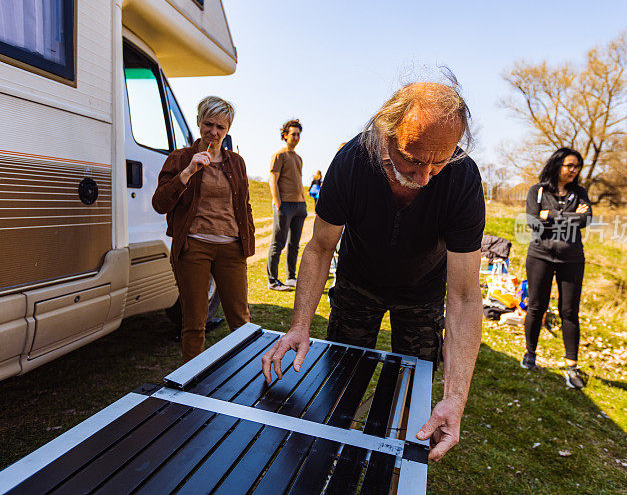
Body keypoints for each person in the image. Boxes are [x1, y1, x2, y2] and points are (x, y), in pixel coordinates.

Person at [261, 78, 486, 462]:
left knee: (407, 398)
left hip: (421, 295)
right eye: (413, 159)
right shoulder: (352, 161)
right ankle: (330, 453)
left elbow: (464, 296)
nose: (426, 176)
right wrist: (299, 324)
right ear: (387, 133)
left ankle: (391, 464)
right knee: (343, 380)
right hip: (357, 285)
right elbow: (318, 248)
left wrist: (455, 397)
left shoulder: (462, 178)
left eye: (440, 161)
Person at [152, 96, 255, 362]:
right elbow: (159, 203)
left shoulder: (237, 162)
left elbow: (244, 206)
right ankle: (192, 384)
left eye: (221, 127)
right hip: (194, 246)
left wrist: (247, 243)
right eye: (209, 124)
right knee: (194, 322)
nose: (214, 132)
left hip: (231, 248)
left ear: (228, 129)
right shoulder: (180, 158)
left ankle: (247, 374)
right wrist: (187, 172)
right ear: (198, 122)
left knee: (241, 321)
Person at [521, 147, 592, 389]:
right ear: (557, 165)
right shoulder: (537, 191)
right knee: (536, 306)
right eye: (570, 165)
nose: (574, 170)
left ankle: (571, 365)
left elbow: (586, 220)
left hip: (572, 259)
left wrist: (548, 215)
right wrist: (569, 216)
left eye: (577, 167)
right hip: (540, 255)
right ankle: (530, 353)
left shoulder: (580, 193)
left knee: (569, 312)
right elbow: (532, 221)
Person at [267, 119, 307, 291]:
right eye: (293, 134)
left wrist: (304, 202)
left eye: (298, 134)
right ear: (285, 135)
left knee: (294, 244)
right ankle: (273, 280)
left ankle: (291, 277)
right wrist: (277, 202)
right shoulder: (279, 155)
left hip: (300, 206)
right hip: (284, 205)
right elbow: (273, 179)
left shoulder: (298, 158)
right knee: (278, 242)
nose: (296, 137)